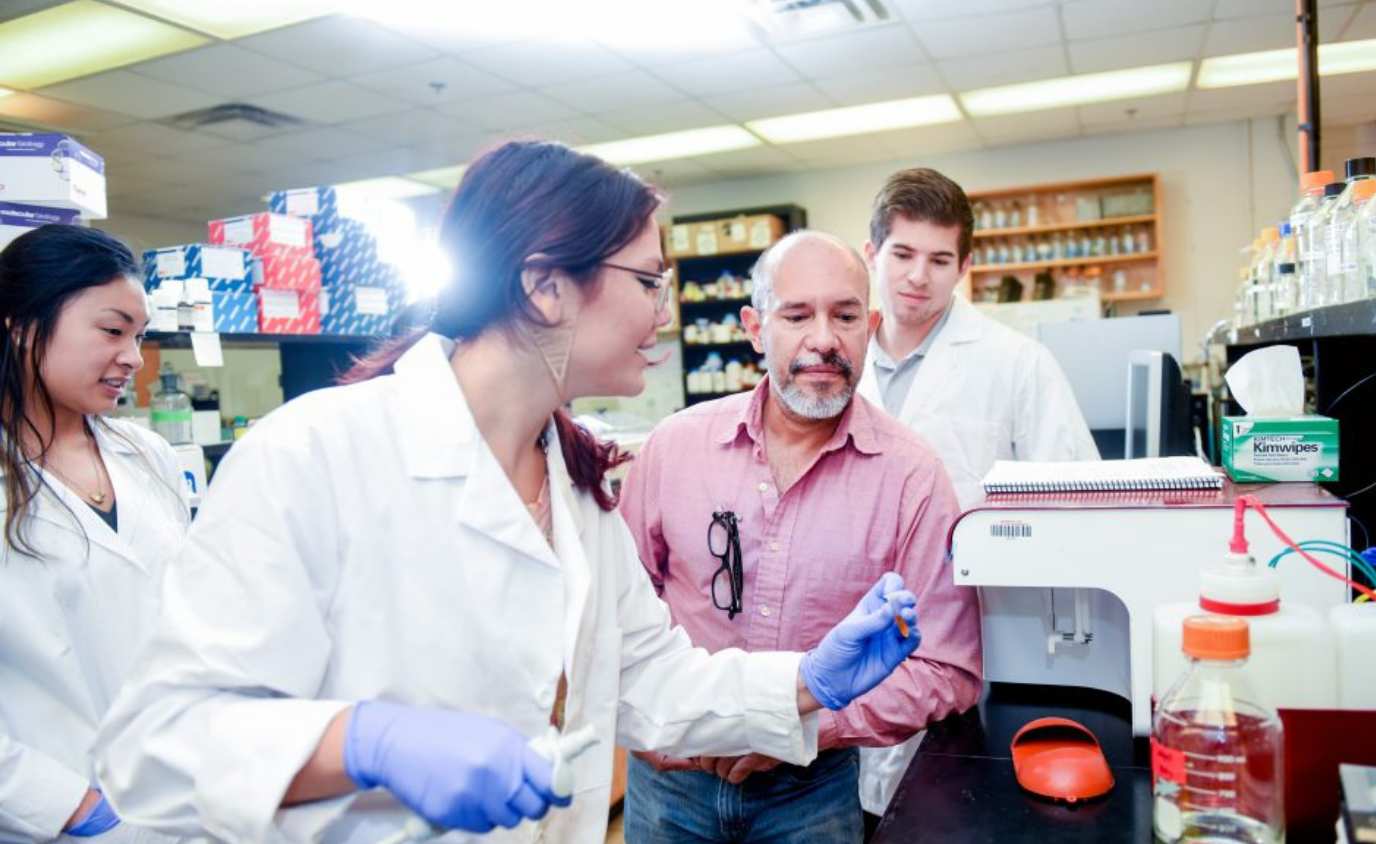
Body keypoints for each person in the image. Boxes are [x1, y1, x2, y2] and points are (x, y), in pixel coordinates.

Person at [95, 141, 922, 844]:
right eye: (646, 281)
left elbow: (654, 683)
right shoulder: (317, 452)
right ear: (546, 286)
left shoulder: (576, 491)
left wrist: (809, 679)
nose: (661, 312)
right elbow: (156, 743)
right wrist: (368, 741)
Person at [619, 230, 982, 844]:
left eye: (844, 316)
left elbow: (947, 667)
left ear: (867, 327)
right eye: (796, 315)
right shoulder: (674, 448)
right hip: (669, 782)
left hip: (810, 790)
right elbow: (619, 615)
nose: (823, 339)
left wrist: (807, 725)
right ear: (756, 328)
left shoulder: (911, 476)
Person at [856, 168, 1099, 821]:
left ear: (965, 264)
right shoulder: (836, 363)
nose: (918, 276)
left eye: (940, 260)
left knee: (945, 815)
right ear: (871, 253)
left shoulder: (1016, 362)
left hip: (969, 639)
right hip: (846, 636)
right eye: (902, 255)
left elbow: (1075, 497)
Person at [0, 225, 193, 844]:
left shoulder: (149, 454)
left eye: (140, 336)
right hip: (56, 816)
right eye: (113, 331)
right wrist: (71, 807)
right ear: (22, 324)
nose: (135, 357)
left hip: (179, 796)